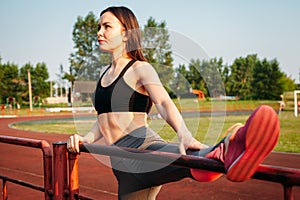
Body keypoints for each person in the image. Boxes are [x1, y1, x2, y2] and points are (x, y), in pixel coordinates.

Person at [67, 6, 280, 200]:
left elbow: (163, 102)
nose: (99, 32)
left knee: (181, 158)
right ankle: (218, 154)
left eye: (107, 26)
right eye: (99, 27)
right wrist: (85, 139)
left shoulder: (140, 68)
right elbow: (103, 119)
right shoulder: (103, 75)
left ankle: (227, 148)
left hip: (141, 147)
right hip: (120, 165)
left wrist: (184, 134)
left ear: (125, 34)